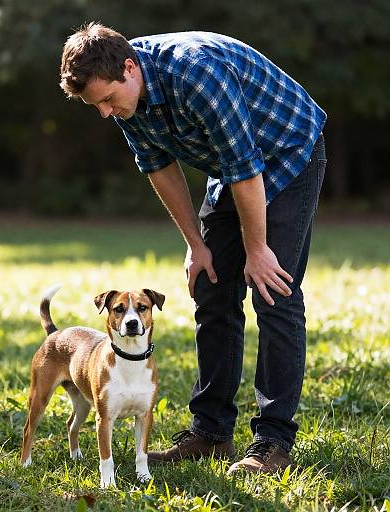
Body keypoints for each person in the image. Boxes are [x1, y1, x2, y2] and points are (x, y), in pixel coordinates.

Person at [59, 22, 327, 475]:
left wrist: (257, 249)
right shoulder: (129, 100)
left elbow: (247, 169)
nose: (105, 113)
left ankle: (274, 442)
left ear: (129, 68)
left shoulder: (196, 75)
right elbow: (160, 166)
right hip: (232, 168)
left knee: (273, 291)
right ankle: (211, 432)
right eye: (95, 106)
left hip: (288, 150)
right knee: (210, 285)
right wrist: (195, 243)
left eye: (106, 100)